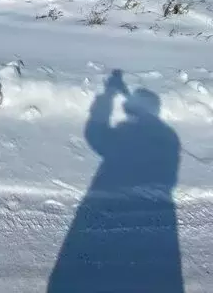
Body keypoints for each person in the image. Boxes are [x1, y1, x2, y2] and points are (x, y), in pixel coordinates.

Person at [47, 69, 184, 293]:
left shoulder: (129, 133)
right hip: (153, 215)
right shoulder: (168, 136)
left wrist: (108, 96)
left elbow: (95, 134)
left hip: (115, 210)